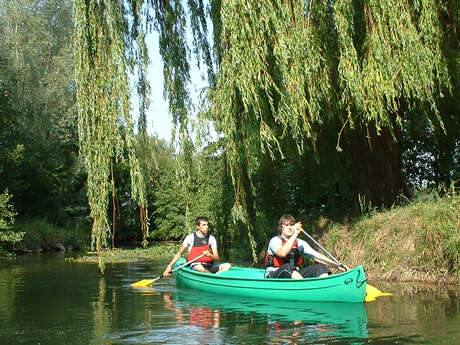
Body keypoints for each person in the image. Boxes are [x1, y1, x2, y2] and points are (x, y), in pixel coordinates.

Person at [265, 214, 349, 279]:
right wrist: (295, 234)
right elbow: (282, 253)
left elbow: (317, 256)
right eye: (286, 225)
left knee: (320, 268)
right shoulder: (275, 240)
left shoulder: (300, 243)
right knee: (288, 267)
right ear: (281, 228)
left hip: (295, 274)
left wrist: (338, 266)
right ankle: (306, 290)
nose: (290, 228)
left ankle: (322, 289)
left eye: (292, 225)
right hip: (274, 275)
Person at [163, 217, 232, 276]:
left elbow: (217, 258)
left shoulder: (211, 238)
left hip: (209, 265)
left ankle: (214, 277)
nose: (207, 227)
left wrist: (209, 255)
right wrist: (169, 266)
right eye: (204, 225)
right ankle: (213, 277)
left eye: (207, 225)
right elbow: (179, 253)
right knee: (199, 268)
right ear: (198, 227)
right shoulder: (190, 238)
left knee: (227, 265)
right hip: (196, 265)